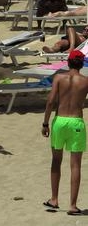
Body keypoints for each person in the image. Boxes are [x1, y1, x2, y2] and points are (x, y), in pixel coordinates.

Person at [41, 49, 88, 216]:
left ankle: (54, 199)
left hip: (59, 121)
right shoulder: (85, 81)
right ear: (82, 64)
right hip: (76, 121)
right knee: (75, 165)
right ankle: (73, 205)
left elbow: (50, 102)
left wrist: (45, 123)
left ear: (68, 62)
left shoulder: (59, 78)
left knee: (56, 160)